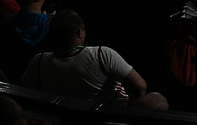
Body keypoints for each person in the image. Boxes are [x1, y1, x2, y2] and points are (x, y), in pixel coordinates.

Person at [20, 10, 167, 108]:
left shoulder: (38, 62)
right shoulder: (102, 54)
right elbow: (140, 86)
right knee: (158, 99)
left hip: (61, 117)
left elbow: (27, 88)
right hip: (106, 116)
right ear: (79, 33)